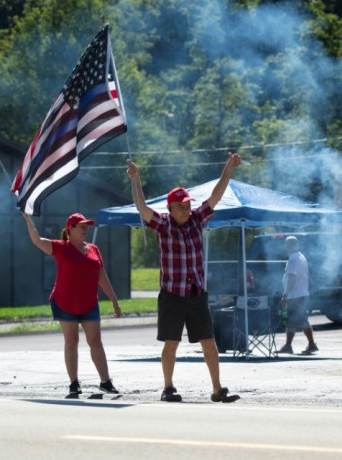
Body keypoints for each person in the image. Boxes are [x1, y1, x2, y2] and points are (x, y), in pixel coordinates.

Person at [126, 154, 241, 403]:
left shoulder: (196, 220)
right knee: (171, 343)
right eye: (180, 206)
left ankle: (217, 389)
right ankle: (168, 387)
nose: (186, 210)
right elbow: (142, 208)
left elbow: (215, 197)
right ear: (170, 208)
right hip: (172, 295)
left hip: (196, 293)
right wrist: (136, 180)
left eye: (187, 205)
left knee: (209, 342)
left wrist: (227, 170)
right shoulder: (163, 225)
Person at [22, 212, 122, 398]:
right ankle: (74, 384)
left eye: (87, 226)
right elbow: (37, 240)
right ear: (70, 230)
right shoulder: (60, 247)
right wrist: (28, 219)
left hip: (89, 302)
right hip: (65, 301)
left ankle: (105, 382)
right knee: (72, 341)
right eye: (81, 226)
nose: (85, 229)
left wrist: (114, 301)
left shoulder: (93, 249)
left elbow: (102, 276)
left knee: (95, 341)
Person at [277, 236, 318, 355]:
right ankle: (288, 345)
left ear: (287, 247)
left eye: (287, 245)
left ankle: (311, 345)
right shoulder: (301, 256)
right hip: (301, 293)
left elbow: (291, 278)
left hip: (296, 295)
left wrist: (285, 295)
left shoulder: (293, 259)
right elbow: (307, 273)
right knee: (293, 321)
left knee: (301, 320)